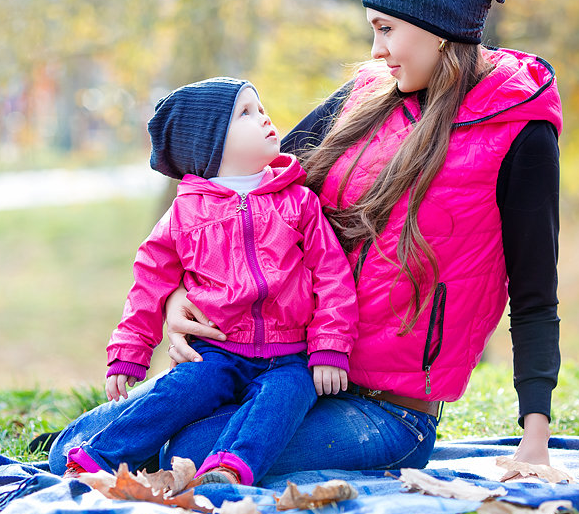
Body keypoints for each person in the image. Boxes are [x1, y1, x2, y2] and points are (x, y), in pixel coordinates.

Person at [46, 0, 561, 479]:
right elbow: (244, 194)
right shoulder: (367, 95)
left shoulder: (520, 130)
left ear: (436, 26)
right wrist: (176, 302)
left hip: (387, 412)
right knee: (77, 444)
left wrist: (533, 442)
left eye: (386, 29)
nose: (376, 49)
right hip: (277, 368)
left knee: (183, 454)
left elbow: (535, 297)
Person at [62, 78, 358, 487]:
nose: (264, 117)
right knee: (178, 391)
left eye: (260, 107)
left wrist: (329, 346)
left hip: (290, 352)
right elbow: (150, 281)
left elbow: (332, 275)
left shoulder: (297, 201)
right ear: (210, 143)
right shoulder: (185, 212)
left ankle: (230, 468)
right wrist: (130, 349)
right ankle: (98, 457)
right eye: (246, 113)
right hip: (216, 350)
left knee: (286, 397)